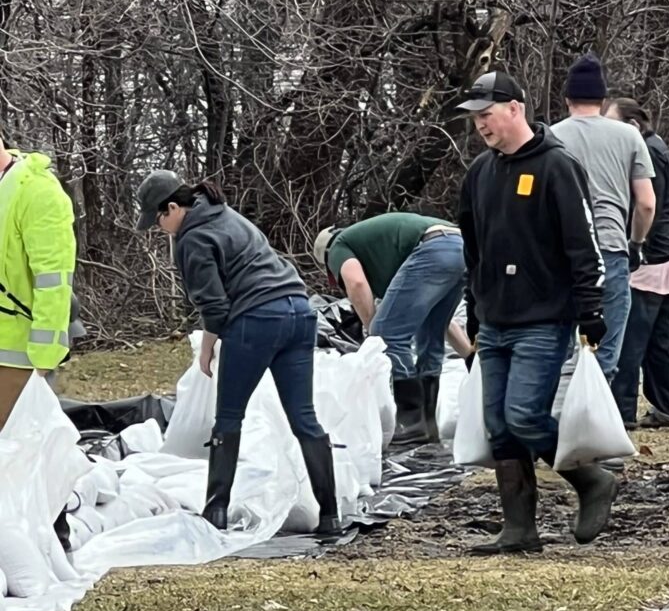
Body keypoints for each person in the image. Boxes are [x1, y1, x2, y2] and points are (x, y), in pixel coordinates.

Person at [456, 69, 618, 555]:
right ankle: (519, 527)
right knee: (499, 426)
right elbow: (473, 251)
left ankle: (591, 480)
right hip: (496, 317)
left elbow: (582, 243)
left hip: (545, 317)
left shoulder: (555, 166)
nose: (481, 126)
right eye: (476, 119)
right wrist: (475, 314)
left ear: (515, 109)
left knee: (525, 416)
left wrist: (591, 307)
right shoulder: (480, 174)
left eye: (487, 115)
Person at [136, 170, 341, 535]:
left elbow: (214, 306)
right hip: (300, 311)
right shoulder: (226, 214)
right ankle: (330, 516)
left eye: (158, 220)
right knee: (304, 418)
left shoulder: (193, 238)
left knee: (229, 417)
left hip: (257, 320)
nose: (159, 228)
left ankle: (215, 513)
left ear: (172, 208)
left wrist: (208, 347)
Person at [313, 212, 467, 445]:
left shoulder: (337, 246)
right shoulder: (386, 256)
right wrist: (471, 355)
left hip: (433, 246)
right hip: (462, 247)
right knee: (430, 332)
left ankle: (411, 424)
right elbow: (443, 324)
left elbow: (356, 283)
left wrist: (375, 336)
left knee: (388, 334)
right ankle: (427, 424)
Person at [550, 54, 656, 379]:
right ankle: (595, 421)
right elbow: (647, 204)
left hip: (559, 254)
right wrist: (636, 243)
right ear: (603, 99)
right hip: (610, 249)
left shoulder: (550, 137)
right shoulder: (630, 137)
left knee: (559, 349)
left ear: (567, 98)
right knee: (604, 352)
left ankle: (556, 423)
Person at [0, 142, 76, 550]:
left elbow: (53, 280)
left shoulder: (37, 193)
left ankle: (51, 536)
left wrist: (43, 358)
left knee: (28, 446)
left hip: (19, 352)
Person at [605, 97, 669, 429]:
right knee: (658, 339)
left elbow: (646, 206)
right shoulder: (658, 147)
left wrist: (634, 245)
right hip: (664, 254)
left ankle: (622, 413)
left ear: (632, 126)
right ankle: (665, 406)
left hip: (649, 257)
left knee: (631, 339)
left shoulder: (646, 152)